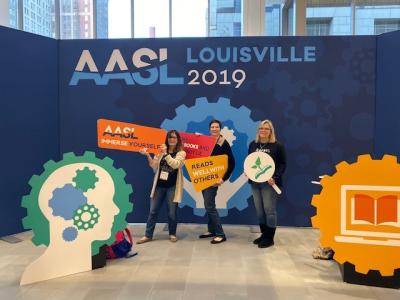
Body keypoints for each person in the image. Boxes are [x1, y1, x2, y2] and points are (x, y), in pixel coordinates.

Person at [137, 130, 186, 244]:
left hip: (172, 187)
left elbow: (175, 164)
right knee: (153, 211)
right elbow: (154, 166)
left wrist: (166, 154)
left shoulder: (181, 153)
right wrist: (148, 155)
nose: (171, 139)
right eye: (169, 137)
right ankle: (148, 235)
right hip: (159, 186)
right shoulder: (161, 151)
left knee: (172, 212)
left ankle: (172, 233)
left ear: (178, 139)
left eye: (174, 137)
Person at [248, 119, 286, 248]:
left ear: (271, 131)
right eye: (261, 128)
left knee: (269, 210)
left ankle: (270, 238)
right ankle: (264, 235)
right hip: (255, 182)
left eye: (266, 129)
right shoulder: (253, 144)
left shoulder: (277, 146)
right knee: (259, 211)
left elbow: (282, 164)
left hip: (269, 184)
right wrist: (248, 171)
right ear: (258, 131)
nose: (263, 131)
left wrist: (275, 177)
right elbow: (250, 161)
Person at [199, 120, 235, 244]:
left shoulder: (224, 143)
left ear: (220, 129)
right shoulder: (205, 141)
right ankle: (212, 230)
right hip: (203, 178)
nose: (214, 129)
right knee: (208, 205)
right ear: (209, 129)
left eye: (216, 127)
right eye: (212, 127)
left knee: (209, 206)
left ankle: (220, 234)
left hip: (214, 180)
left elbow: (231, 163)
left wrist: (223, 179)